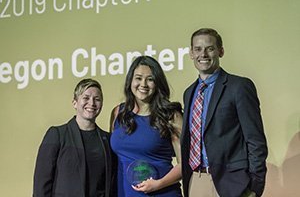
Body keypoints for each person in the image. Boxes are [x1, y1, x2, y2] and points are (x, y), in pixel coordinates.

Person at [181, 28, 268, 197]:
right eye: (197, 49)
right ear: (191, 53)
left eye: (210, 48)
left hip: (233, 185)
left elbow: (255, 140)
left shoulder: (239, 87)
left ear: (220, 51)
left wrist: (255, 188)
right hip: (197, 181)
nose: (203, 54)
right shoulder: (189, 92)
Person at [110, 55, 183, 196]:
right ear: (130, 81)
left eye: (150, 79)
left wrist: (158, 184)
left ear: (157, 83)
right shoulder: (118, 113)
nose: (143, 84)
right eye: (138, 78)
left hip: (162, 193)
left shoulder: (171, 116)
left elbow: (185, 164)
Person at [33, 78, 117, 197]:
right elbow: (42, 182)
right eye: (86, 98)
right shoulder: (57, 135)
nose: (92, 103)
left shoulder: (107, 140)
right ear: (75, 103)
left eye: (97, 99)